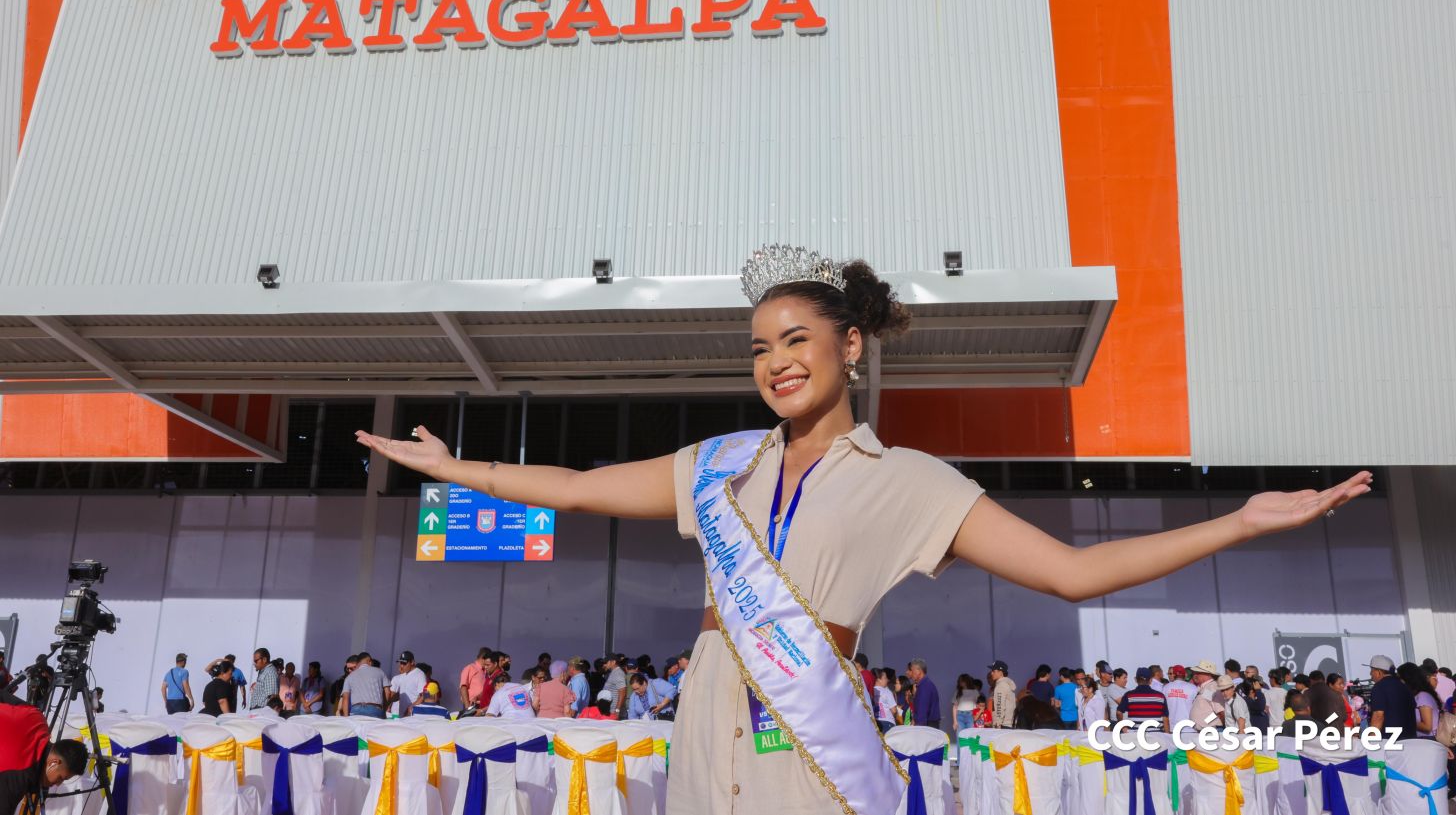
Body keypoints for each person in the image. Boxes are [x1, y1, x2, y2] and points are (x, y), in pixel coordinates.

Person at [357, 245, 1372, 814]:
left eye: (796, 340)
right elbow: (576, 488)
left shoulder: (910, 481)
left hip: (809, 724)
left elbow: (1071, 571)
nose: (775, 362)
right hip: (708, 710)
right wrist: (457, 469)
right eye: (759, 347)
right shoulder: (720, 464)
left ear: (850, 346)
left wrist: (1237, 520)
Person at [0, 699, 87, 815]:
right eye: (61, 778)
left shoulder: (36, 716)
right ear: (54, 762)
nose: (58, 784)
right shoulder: (20, 776)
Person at [1368, 655, 1417, 740]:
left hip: (1391, 742)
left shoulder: (1379, 687)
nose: (1370, 674)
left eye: (1372, 671)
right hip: (1411, 740)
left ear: (1379, 672)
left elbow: (1378, 716)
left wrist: (1371, 741)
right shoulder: (1405, 687)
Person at [1397, 662, 1440, 739]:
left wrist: (1405, 720)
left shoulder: (1422, 696)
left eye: (1399, 678)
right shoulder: (1418, 696)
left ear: (1407, 678)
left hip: (1427, 740)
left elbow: (1427, 727)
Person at [341, 652, 387, 719]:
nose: (349, 671)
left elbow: (345, 698)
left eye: (352, 668)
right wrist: (383, 710)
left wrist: (346, 718)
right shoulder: (379, 672)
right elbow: (388, 692)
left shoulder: (349, 677)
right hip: (375, 710)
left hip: (356, 710)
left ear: (358, 664)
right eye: (348, 669)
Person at [388, 651, 428, 717]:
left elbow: (424, 695)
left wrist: (411, 707)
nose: (402, 665)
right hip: (401, 716)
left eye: (404, 663)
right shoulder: (403, 675)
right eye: (400, 663)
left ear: (412, 662)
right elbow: (398, 695)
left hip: (413, 716)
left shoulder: (419, 674)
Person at [459, 648, 497, 715]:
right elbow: (463, 687)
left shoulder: (487, 672)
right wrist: (468, 707)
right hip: (472, 705)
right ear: (483, 658)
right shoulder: (470, 668)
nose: (489, 662)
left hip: (484, 707)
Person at [1188, 661, 1222, 729]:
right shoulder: (1204, 687)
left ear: (1207, 674)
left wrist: (1205, 723)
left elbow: (1220, 712)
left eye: (1198, 673)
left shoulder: (1211, 687)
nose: (1195, 675)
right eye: (1194, 673)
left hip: (1210, 731)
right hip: (1205, 731)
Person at [908, 659, 940, 730]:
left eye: (912, 671)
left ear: (919, 671)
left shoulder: (925, 686)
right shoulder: (924, 685)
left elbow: (922, 712)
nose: (911, 673)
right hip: (927, 725)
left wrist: (919, 729)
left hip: (927, 727)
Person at [1163, 665, 1199, 729]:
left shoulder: (1165, 688)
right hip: (1188, 727)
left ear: (1174, 675)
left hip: (1171, 727)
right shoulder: (1193, 688)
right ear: (1185, 675)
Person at [987, 661, 1017, 729]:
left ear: (1000, 672)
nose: (991, 673)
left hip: (1003, 725)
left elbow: (999, 706)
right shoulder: (1007, 684)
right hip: (1010, 722)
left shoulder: (1001, 686)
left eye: (993, 671)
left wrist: (998, 723)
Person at [598, 655, 627, 719]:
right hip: (611, 712)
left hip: (615, 714)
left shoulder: (618, 673)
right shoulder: (614, 672)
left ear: (613, 662)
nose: (604, 665)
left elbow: (623, 692)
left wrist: (617, 711)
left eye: (606, 662)